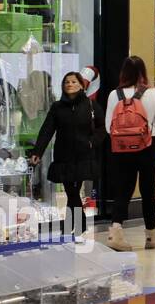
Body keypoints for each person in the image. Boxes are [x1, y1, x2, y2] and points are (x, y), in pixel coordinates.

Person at [104, 55, 155, 250]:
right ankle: (151, 237)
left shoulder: (113, 95)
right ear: (143, 72)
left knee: (123, 190)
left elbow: (108, 126)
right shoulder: (153, 94)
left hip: (121, 149)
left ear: (123, 72)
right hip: (147, 147)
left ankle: (115, 232)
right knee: (148, 191)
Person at [28, 71, 101, 236]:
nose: (70, 84)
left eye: (74, 81)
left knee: (73, 191)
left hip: (83, 156)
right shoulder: (57, 107)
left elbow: (102, 128)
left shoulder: (91, 105)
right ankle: (77, 225)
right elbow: (47, 130)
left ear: (82, 85)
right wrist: (37, 152)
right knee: (71, 191)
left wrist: (92, 142)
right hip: (64, 156)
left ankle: (71, 227)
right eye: (66, 82)